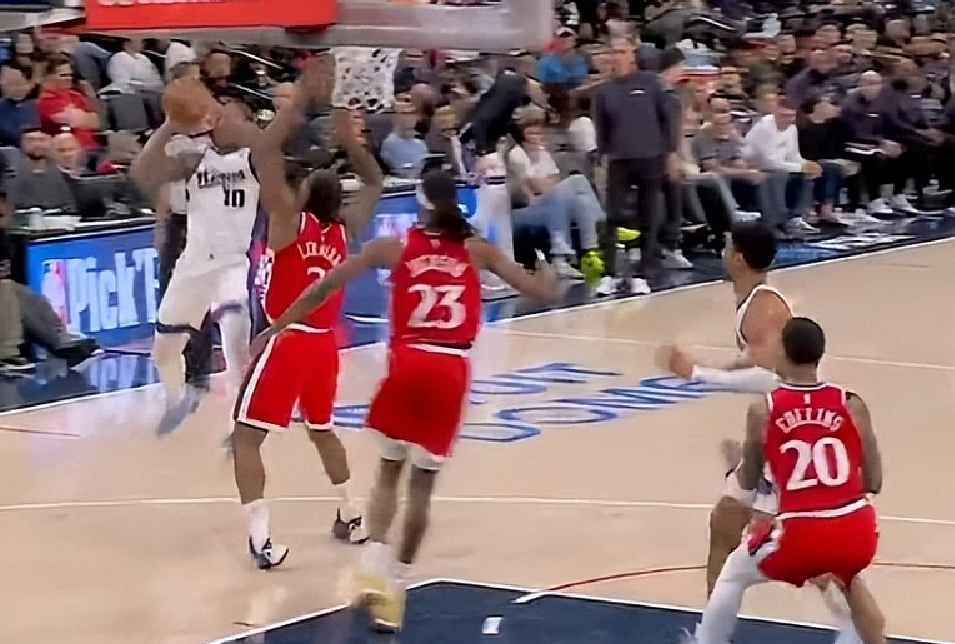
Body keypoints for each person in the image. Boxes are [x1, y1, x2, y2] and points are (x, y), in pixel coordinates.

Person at [253, 168, 560, 632]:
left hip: (408, 365)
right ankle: (393, 587)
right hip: (449, 370)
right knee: (421, 489)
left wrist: (276, 326)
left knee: (388, 471)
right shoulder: (478, 250)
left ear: (420, 203)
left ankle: (373, 565)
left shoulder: (392, 248)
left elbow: (323, 288)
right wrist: (548, 271)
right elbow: (543, 293)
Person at [660, 221, 876, 643]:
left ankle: (855, 627)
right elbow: (759, 359)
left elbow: (775, 375)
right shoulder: (754, 302)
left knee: (812, 557)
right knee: (725, 526)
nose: (722, 251)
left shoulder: (763, 307)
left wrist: (700, 375)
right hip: (783, 428)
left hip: (792, 431)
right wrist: (718, 369)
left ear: (739, 258)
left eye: (727, 245)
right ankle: (714, 634)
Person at [230, 62, 383, 568]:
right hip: (324, 345)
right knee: (322, 428)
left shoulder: (287, 224)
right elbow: (374, 180)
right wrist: (350, 141)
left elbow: (264, 153)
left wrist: (294, 106)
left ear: (303, 195)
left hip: (288, 337)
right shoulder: (344, 230)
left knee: (246, 437)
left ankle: (261, 539)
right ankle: (352, 514)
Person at [686, 317, 885, 644]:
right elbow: (874, 481)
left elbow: (749, 481)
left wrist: (735, 466)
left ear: (783, 352)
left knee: (733, 573)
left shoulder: (765, 409)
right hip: (858, 531)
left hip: (801, 534)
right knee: (848, 577)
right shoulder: (852, 404)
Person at [131, 79, 261, 435]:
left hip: (233, 262)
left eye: (230, 115)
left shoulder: (255, 155)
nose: (220, 119)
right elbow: (142, 174)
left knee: (235, 338)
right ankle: (178, 399)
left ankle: (241, 422)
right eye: (219, 113)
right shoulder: (194, 156)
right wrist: (169, 125)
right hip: (195, 261)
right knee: (163, 348)